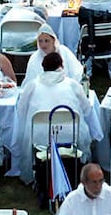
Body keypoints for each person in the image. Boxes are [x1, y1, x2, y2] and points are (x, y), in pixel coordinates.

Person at [16, 52, 103, 184]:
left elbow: (21, 110)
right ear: (61, 65)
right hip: (70, 135)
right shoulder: (72, 85)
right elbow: (87, 109)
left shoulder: (32, 85)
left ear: (43, 67)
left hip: (40, 137)